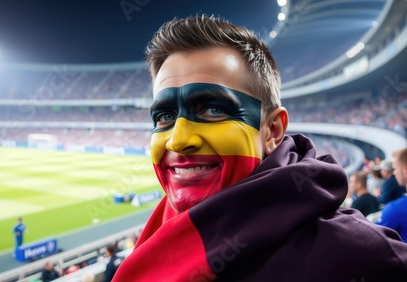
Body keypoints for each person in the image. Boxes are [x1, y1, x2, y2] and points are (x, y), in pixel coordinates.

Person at [113, 15, 407, 281]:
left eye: (213, 109)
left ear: (272, 130)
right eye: (164, 117)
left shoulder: (361, 256)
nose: (178, 140)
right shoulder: (163, 233)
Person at [376, 148, 407, 242]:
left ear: (405, 171)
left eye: (395, 169)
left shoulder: (394, 209)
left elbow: (373, 238)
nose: (394, 173)